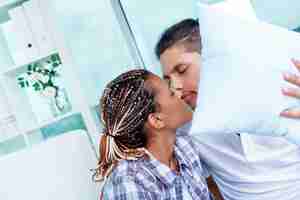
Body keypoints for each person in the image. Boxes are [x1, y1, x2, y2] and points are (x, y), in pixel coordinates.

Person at [155, 18, 300, 200]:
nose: (175, 88)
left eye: (182, 70)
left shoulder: (284, 89)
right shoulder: (189, 131)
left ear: (212, 58)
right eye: (168, 81)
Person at [94, 69, 215, 200]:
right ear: (157, 120)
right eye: (171, 93)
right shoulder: (130, 184)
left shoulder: (185, 148)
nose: (179, 90)